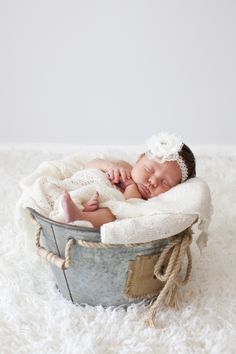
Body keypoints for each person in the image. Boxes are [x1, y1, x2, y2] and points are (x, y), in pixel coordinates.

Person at [61, 132, 196, 228]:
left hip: (101, 207)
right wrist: (108, 166)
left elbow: (128, 206)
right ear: (138, 161)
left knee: (111, 215)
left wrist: (131, 187)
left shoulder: (148, 204)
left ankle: (81, 216)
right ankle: (77, 205)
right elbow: (88, 166)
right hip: (83, 187)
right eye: (149, 169)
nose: (153, 181)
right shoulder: (124, 167)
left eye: (165, 183)